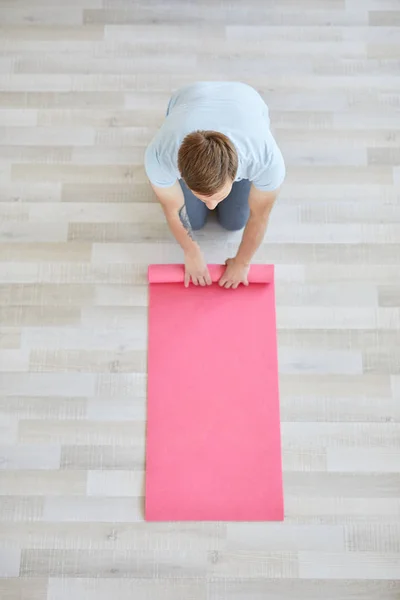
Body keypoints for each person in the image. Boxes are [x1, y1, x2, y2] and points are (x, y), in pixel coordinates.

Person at [144, 82, 285, 289]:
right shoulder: (160, 156)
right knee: (194, 220)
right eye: (204, 197)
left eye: (217, 197)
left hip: (244, 98)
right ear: (181, 172)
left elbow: (260, 215)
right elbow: (173, 210)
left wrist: (242, 263)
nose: (211, 206)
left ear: (235, 174)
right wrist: (191, 252)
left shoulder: (265, 158)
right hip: (189, 96)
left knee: (235, 222)